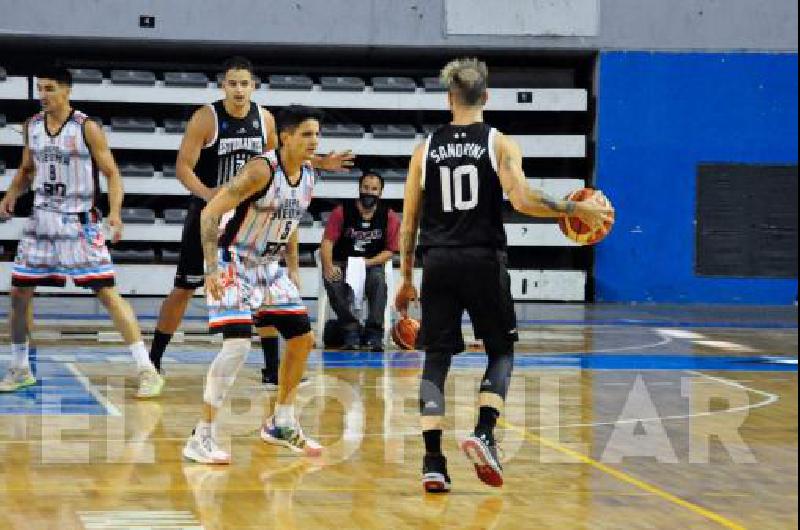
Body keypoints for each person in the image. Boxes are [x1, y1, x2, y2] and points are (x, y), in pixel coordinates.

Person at [394, 58, 614, 492]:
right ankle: (483, 431)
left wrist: (405, 278)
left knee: (436, 359)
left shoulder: (425, 149)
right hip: (482, 258)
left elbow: (409, 220)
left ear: (448, 98)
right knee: (501, 352)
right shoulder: (498, 143)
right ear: (487, 97)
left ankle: (432, 461)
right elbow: (523, 198)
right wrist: (574, 208)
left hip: (437, 261)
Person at [148, 56, 352, 389]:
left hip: (252, 214)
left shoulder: (266, 120)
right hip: (211, 212)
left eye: (245, 83)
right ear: (223, 85)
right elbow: (183, 166)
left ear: (253, 86)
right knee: (184, 288)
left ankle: (272, 369)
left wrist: (321, 162)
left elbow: (284, 157)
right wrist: (208, 194)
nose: (239, 89)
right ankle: (154, 359)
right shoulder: (206, 118)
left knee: (264, 285)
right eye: (233, 83)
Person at [0, 67, 163, 397]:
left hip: (79, 221)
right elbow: (27, 169)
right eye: (40, 89)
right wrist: (11, 194)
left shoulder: (87, 128)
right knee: (18, 294)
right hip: (41, 220)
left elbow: (112, 174)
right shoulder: (32, 126)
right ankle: (19, 369)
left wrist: (115, 213)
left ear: (66, 91)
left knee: (107, 294)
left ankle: (147, 370)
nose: (43, 95)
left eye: (49, 89)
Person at [182, 105, 324, 464]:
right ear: (287, 137)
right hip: (233, 260)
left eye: (317, 134)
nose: (314, 141)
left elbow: (290, 223)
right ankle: (202, 435)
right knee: (237, 347)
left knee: (303, 338)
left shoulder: (308, 175)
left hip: (268, 265)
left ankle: (282, 420)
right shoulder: (260, 170)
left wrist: (293, 267)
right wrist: (212, 267)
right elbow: (210, 211)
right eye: (307, 134)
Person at [319, 171, 400, 351]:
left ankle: (374, 333)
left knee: (379, 281)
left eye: (374, 189)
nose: (369, 192)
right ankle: (351, 330)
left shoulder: (389, 216)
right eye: (365, 188)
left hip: (370, 264)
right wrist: (328, 266)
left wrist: (366, 263)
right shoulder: (341, 212)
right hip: (342, 263)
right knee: (333, 281)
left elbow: (390, 251)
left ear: (380, 193)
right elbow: (327, 243)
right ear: (359, 188)